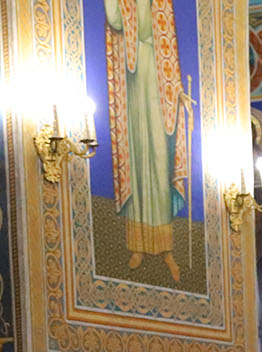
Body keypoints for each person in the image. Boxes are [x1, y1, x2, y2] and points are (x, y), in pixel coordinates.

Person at [104, 0, 186, 283]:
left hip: (160, 89)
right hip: (133, 83)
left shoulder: (163, 4)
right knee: (137, 163)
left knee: (160, 164)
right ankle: (137, 244)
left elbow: (170, 51)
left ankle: (166, 248)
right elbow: (115, 21)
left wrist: (178, 90)